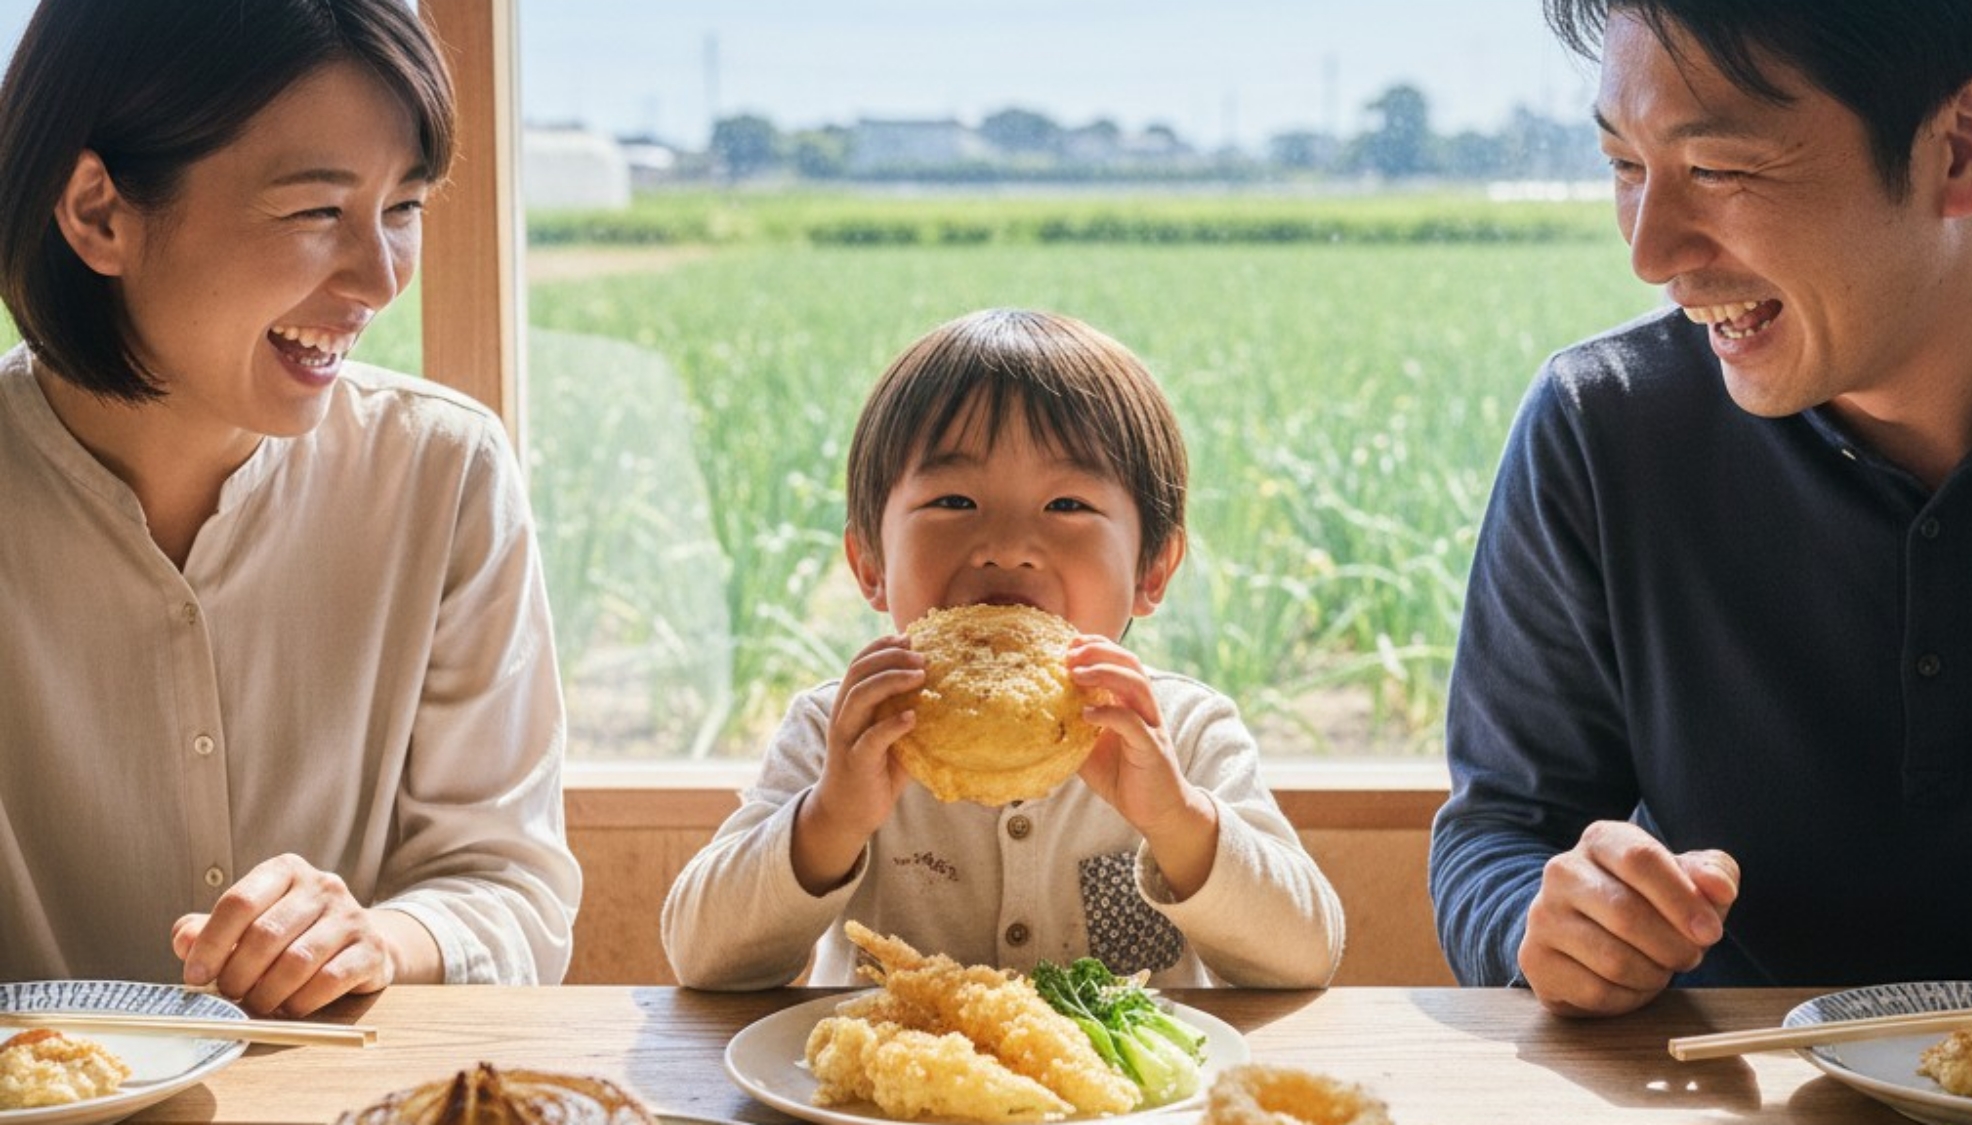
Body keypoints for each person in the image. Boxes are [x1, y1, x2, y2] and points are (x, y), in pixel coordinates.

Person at [0, 0, 581, 1014]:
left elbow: (510, 885)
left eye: (403, 207)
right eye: (318, 211)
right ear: (97, 212)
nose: (381, 278)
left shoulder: (442, 475)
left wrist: (372, 940)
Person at [1430, 0, 1972, 1017]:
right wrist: (1545, 924)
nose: (1650, 254)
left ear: (1961, 148)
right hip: (1725, 1089)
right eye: (1622, 167)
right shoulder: (1600, 426)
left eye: (1718, 171)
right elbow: (1501, 831)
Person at [662, 308, 1343, 989]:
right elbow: (701, 955)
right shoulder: (840, 732)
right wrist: (829, 820)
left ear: (1152, 568)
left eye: (1068, 506)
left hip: (1127, 1096)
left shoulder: (1184, 734)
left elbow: (1307, 953)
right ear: (870, 562)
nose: (1007, 548)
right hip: (892, 1090)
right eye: (955, 501)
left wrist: (1177, 821)